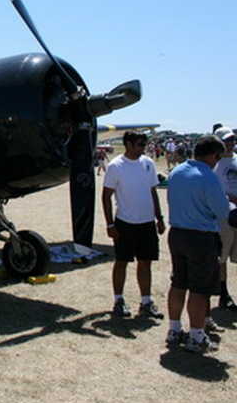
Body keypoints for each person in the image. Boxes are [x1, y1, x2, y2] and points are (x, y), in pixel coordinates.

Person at [165, 135, 230, 353]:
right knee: (199, 289)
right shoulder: (208, 177)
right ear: (213, 156)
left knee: (178, 283)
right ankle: (196, 336)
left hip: (177, 234)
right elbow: (222, 211)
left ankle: (174, 329)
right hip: (200, 236)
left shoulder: (176, 172)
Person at [101, 131, 166, 319]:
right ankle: (118, 300)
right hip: (125, 223)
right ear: (128, 144)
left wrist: (159, 218)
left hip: (147, 223)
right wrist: (110, 224)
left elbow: (152, 191)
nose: (143, 148)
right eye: (139, 144)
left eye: (144, 144)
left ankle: (146, 302)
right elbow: (106, 196)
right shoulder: (116, 166)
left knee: (145, 262)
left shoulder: (148, 163)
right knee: (122, 261)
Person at [213, 126, 237, 310]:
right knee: (222, 257)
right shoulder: (214, 164)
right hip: (223, 216)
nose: (230, 144)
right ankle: (223, 293)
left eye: (232, 140)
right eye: (226, 141)